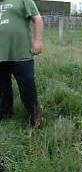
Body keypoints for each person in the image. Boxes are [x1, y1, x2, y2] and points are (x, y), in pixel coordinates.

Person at [0, 0, 43, 128]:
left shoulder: (23, 0)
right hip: (1, 54)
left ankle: (34, 115)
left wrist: (38, 41)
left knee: (27, 83)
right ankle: (5, 113)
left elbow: (37, 19)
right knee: (2, 86)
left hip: (21, 52)